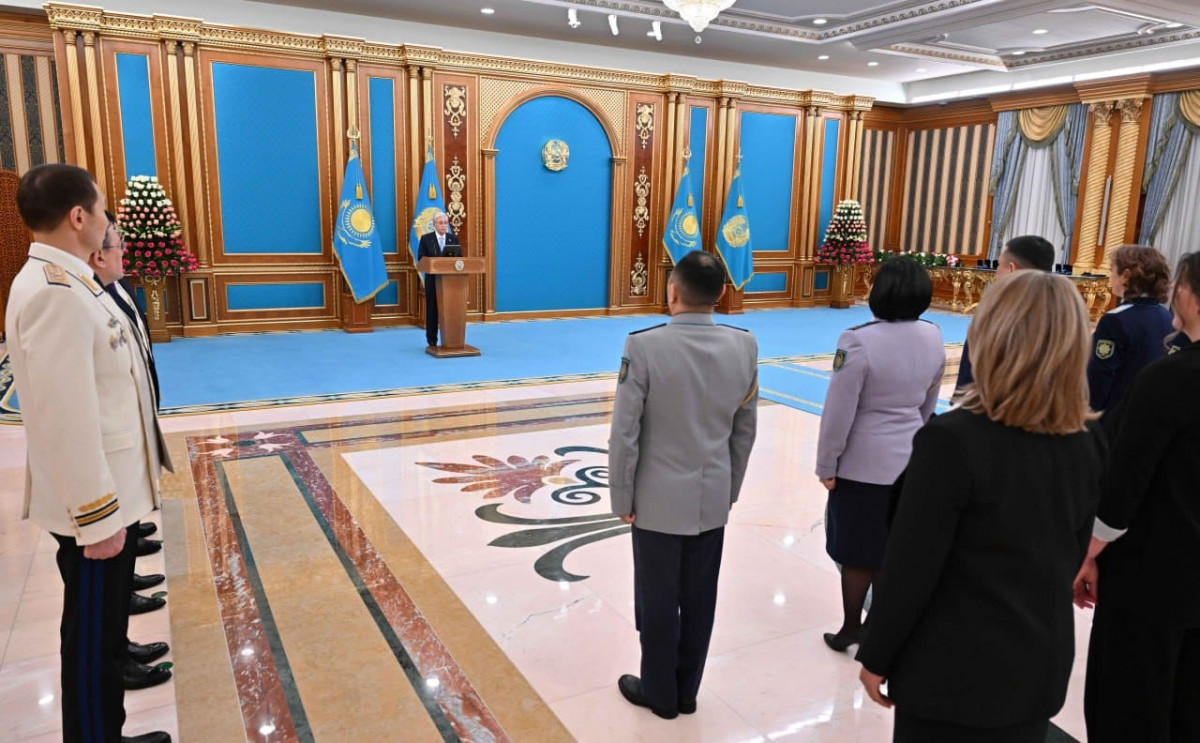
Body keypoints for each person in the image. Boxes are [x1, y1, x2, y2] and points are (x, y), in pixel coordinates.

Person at [857, 271, 1105, 743]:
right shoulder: (1088, 439)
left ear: (993, 337)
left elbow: (912, 567)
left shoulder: (952, 441)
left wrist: (877, 653)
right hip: (1038, 665)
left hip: (952, 672)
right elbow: (1071, 553)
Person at [5, 163, 172, 743]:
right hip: (94, 509)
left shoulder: (68, 282)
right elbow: (67, 421)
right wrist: (98, 518)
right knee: (93, 640)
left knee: (101, 629)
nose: (106, 222)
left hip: (104, 499)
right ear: (78, 217)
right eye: (101, 210)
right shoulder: (57, 295)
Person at [608, 249, 757, 720]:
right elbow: (744, 431)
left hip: (656, 501)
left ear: (672, 293)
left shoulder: (644, 346)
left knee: (656, 598)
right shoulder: (745, 345)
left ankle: (659, 693)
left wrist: (621, 495)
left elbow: (625, 431)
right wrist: (729, 490)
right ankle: (686, 689)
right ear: (723, 294)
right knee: (699, 598)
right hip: (711, 497)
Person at [1074, 251, 1200, 743]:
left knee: (1130, 705)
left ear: (1194, 298)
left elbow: (1126, 479)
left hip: (1154, 573)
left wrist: (1090, 551)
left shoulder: (1170, 378)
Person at [815, 256, 945, 652]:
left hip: (862, 464)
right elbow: (929, 401)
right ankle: (876, 629)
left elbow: (839, 410)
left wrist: (826, 463)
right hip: (910, 461)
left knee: (857, 553)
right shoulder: (933, 334)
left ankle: (851, 628)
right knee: (890, 550)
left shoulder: (858, 340)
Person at [89, 213, 173, 692]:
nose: (125, 252)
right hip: (98, 478)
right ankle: (112, 665)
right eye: (119, 245)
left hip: (122, 450)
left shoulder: (106, 290)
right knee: (95, 597)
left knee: (114, 576)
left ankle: (121, 647)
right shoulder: (69, 297)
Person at [951, 235, 1055, 402]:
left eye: (999, 265)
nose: (996, 273)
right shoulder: (1066, 321)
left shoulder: (993, 318)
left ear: (1011, 269)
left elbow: (967, 383)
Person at [1087, 244, 1173, 427]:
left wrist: (1086, 414)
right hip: (1151, 416)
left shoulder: (1115, 320)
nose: (1110, 277)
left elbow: (1101, 375)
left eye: (1112, 270)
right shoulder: (1167, 316)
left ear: (1125, 275)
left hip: (1114, 418)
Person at [416, 212, 461, 348]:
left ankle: (452, 339)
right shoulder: (426, 239)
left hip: (450, 281)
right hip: (433, 280)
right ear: (434, 224)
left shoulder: (453, 239)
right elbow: (421, 258)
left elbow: (459, 258)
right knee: (432, 310)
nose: (443, 226)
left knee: (451, 309)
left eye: (445, 223)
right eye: (440, 223)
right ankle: (432, 339)